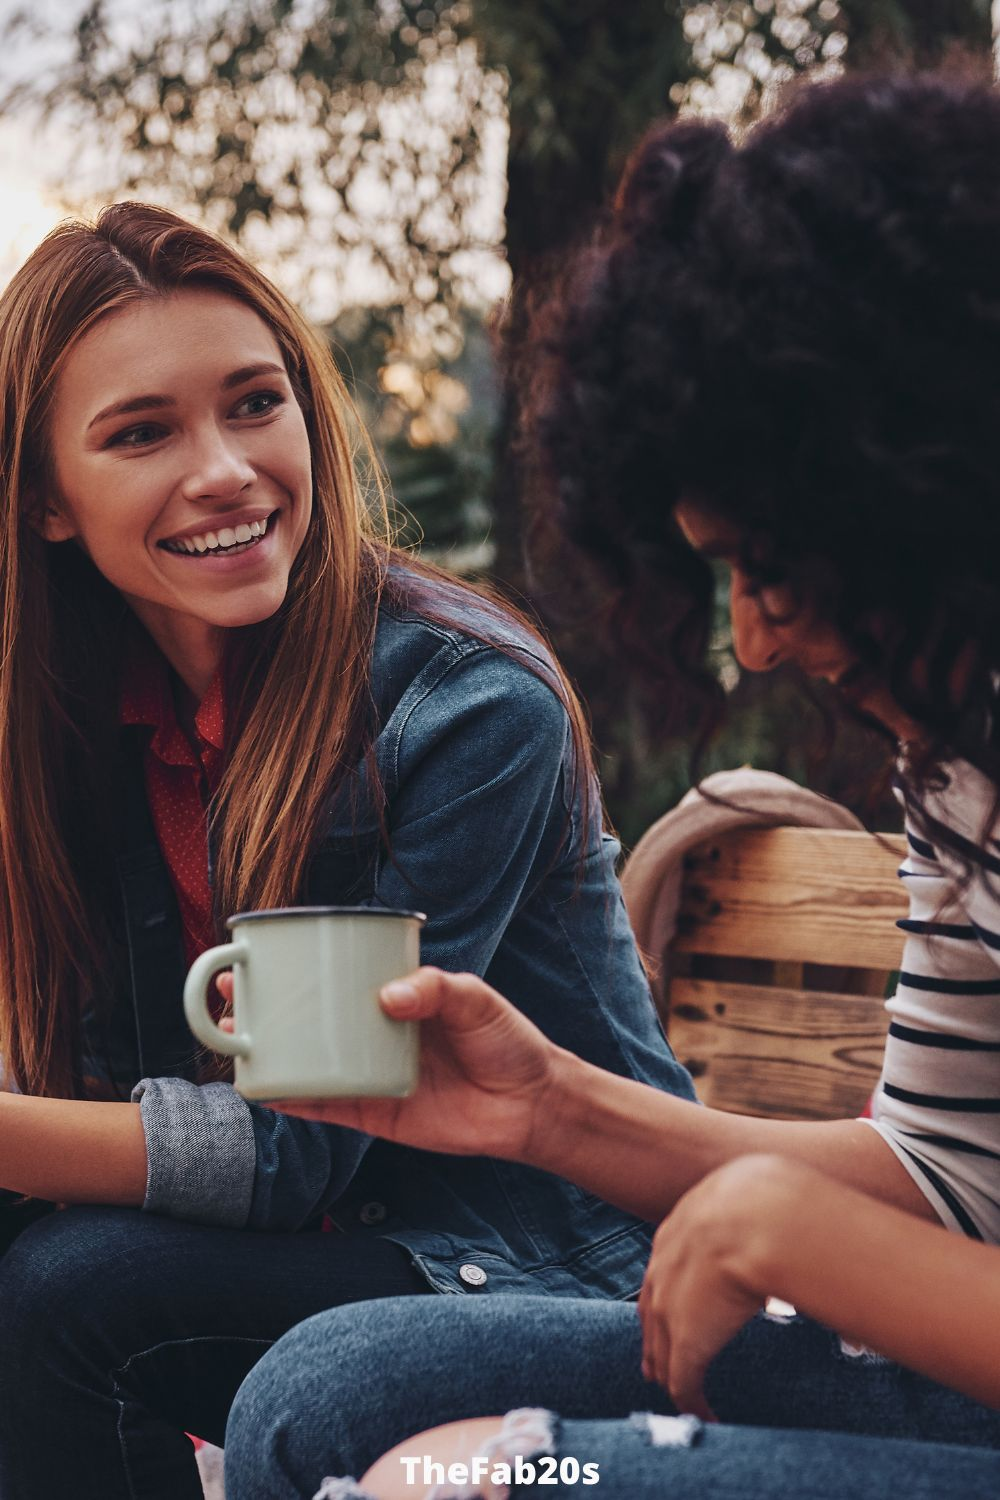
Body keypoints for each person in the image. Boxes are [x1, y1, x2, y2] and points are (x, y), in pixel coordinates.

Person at [224, 68, 1000, 1500]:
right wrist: (555, 1114)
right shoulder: (962, 776)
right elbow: (958, 1179)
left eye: (774, 571)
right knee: (319, 1394)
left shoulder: (469, 703)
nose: (756, 640)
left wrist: (798, 1236)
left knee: (463, 1489)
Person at [0, 201, 696, 1499]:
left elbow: (293, 1152)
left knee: (60, 1295)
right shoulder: (64, 722)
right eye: (142, 432)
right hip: (323, 1260)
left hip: (553, 1274)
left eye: (255, 404)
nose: (224, 468)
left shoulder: (467, 703)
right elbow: (89, 1078)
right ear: (44, 498)